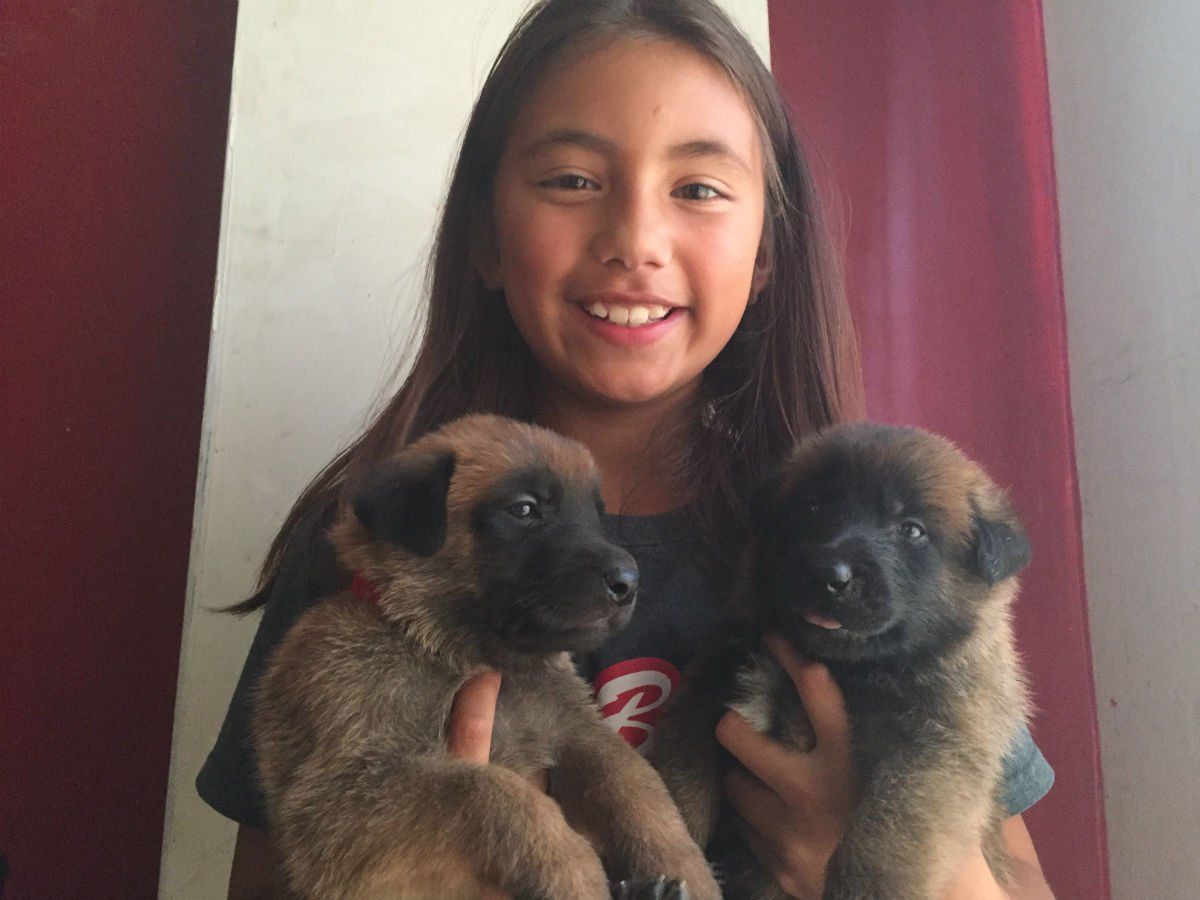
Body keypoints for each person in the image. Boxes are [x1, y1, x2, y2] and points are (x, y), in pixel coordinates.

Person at [198, 1, 1056, 897]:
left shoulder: (822, 537)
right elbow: (274, 872)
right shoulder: (376, 545)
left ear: (767, 251)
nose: (634, 243)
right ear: (486, 234)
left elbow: (1020, 873)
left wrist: (904, 869)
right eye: (572, 179)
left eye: (698, 189)